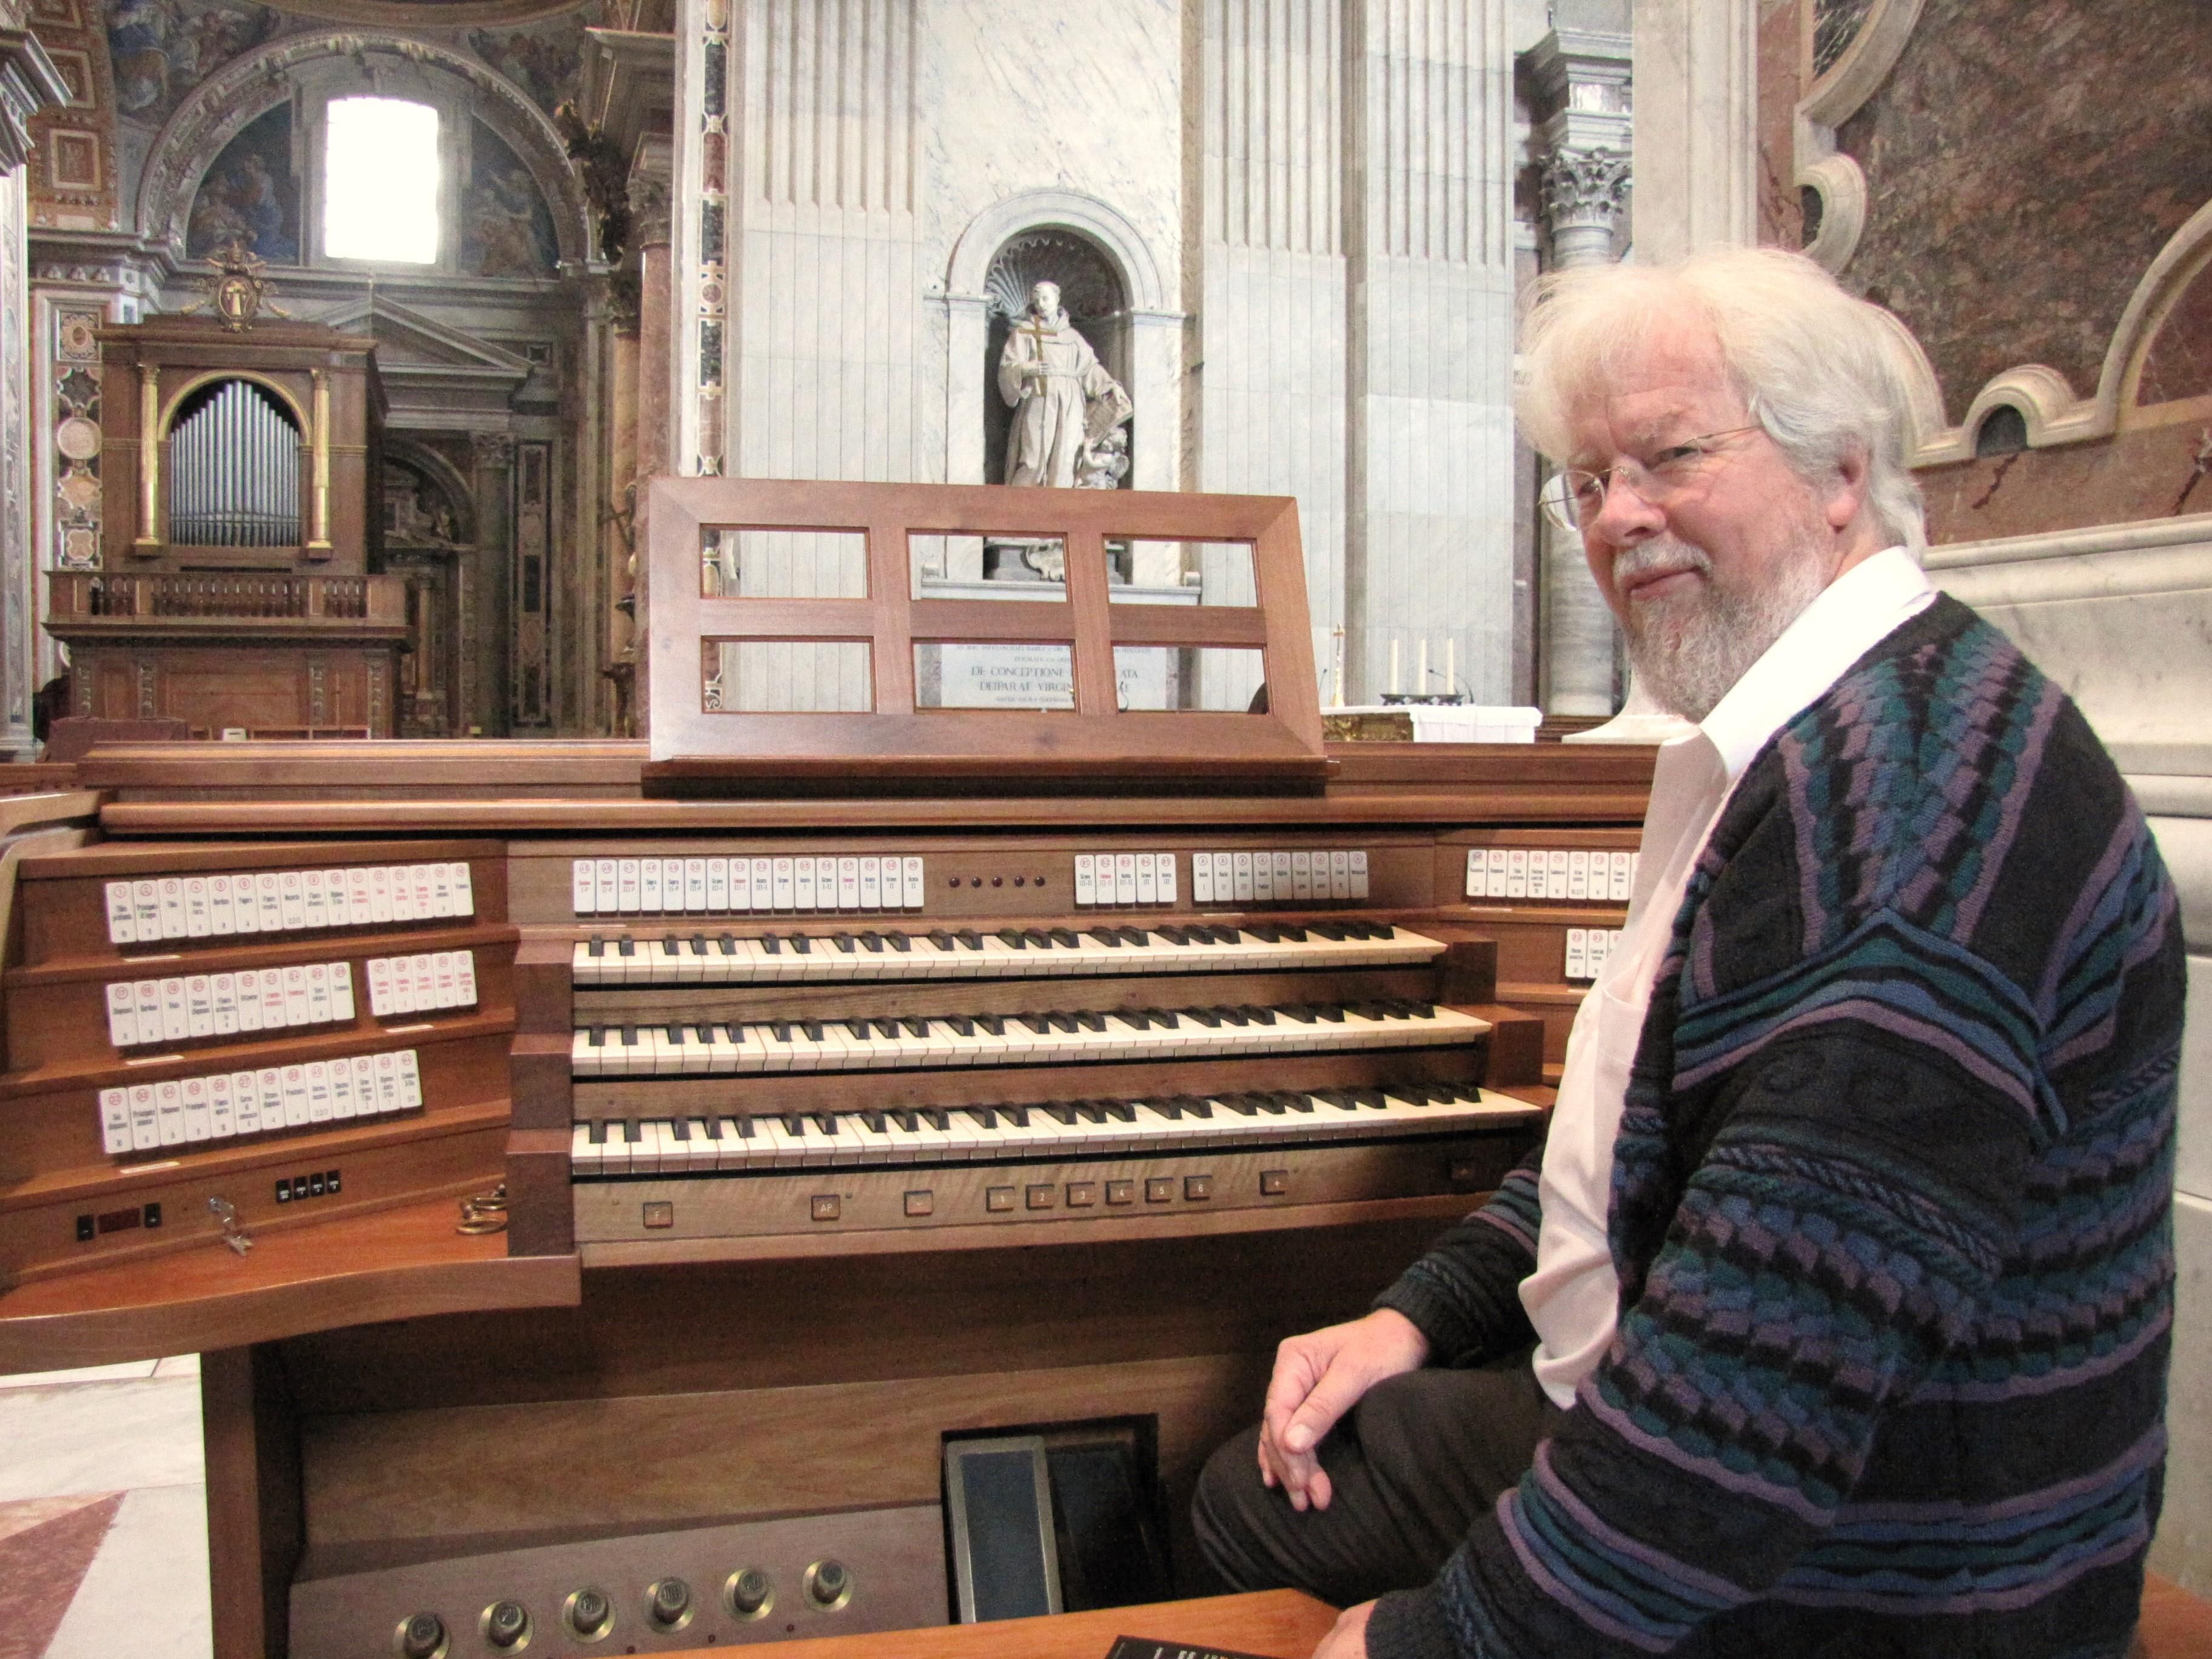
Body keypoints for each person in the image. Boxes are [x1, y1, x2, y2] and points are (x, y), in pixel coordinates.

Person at [1193, 246, 2185, 1659]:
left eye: (1669, 456)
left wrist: (1429, 1640)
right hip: (1759, 1466)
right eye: (1588, 482)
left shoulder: (1896, 810)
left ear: (1840, 470)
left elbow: (1755, 1401)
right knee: (1277, 1463)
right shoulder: (1821, 733)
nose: (1619, 519)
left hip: (1900, 1582)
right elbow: (1651, 1155)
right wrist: (1417, 1313)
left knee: (1248, 1510)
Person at [997, 281, 1131, 487]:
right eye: (1037, 300)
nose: (1041, 304)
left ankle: (1059, 512)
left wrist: (1110, 385)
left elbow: (1089, 368)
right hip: (1039, 400)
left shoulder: (1073, 337)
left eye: (1045, 298)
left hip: (1071, 405)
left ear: (1057, 300)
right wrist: (1025, 369)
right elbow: (1008, 366)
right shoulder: (1024, 332)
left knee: (1066, 460)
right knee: (1033, 460)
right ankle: (1020, 511)